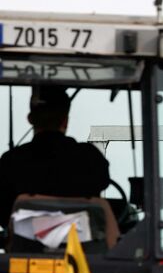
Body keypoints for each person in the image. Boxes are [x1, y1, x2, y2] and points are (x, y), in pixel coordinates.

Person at [0, 86, 111, 225]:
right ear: (65, 121)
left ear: (30, 119)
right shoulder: (90, 157)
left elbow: (4, 213)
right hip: (82, 243)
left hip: (25, 244)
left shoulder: (11, 161)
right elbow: (102, 183)